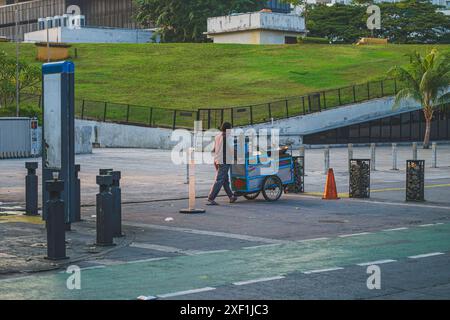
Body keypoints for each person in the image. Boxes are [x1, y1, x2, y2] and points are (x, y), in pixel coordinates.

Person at [207, 122, 238, 205]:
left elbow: (214, 149)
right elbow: (232, 149)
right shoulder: (228, 137)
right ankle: (211, 198)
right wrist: (237, 157)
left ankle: (231, 196)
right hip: (224, 161)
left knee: (225, 180)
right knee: (220, 180)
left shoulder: (217, 136)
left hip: (217, 160)